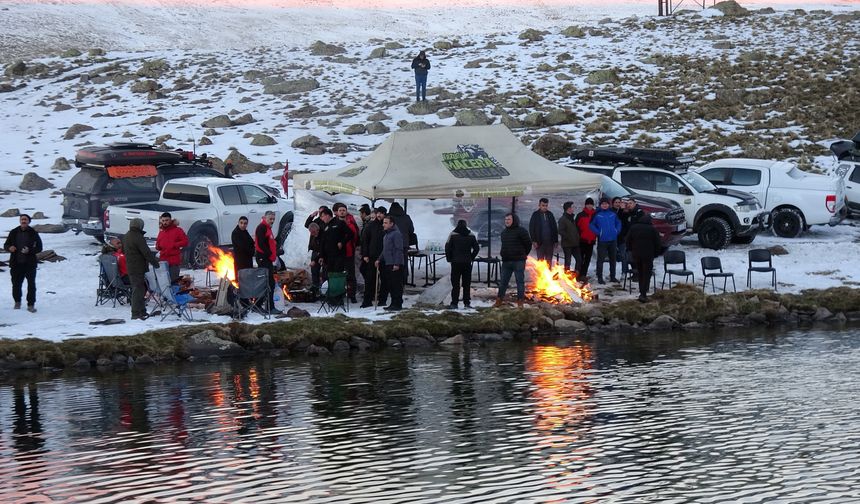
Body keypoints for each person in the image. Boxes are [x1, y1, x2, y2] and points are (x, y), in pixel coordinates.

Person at [123, 218, 160, 320]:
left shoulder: (127, 236)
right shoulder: (138, 237)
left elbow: (123, 250)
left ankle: (142, 311)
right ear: (140, 226)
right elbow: (146, 252)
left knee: (141, 288)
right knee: (138, 290)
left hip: (131, 266)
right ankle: (135, 313)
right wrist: (155, 263)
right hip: (137, 267)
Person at [4, 214, 43, 312]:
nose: (23, 221)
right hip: (16, 263)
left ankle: (31, 304)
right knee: (16, 284)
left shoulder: (33, 233)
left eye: (25, 219)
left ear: (29, 221)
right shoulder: (14, 232)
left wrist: (29, 250)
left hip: (29, 264)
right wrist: (9, 248)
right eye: (22, 219)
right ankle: (17, 302)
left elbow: (39, 247)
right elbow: (6, 244)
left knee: (31, 285)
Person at [495, 213, 531, 308]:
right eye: (506, 219)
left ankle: (520, 302)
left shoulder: (521, 231)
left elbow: (528, 244)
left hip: (518, 261)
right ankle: (499, 300)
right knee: (503, 282)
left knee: (519, 282)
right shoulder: (504, 232)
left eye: (509, 219)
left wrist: (523, 254)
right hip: (506, 261)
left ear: (514, 220)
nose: (507, 221)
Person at [626, 213, 662, 303]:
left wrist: (631, 249)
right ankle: (643, 293)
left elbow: (627, 240)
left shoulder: (634, 228)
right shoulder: (653, 229)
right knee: (647, 273)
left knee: (640, 272)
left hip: (636, 254)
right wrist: (656, 254)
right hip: (648, 255)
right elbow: (658, 243)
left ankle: (642, 291)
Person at [445, 219, 480, 309]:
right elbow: (476, 248)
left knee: (455, 284)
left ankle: (454, 303)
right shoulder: (471, 235)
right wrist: (471, 257)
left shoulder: (453, 234)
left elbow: (447, 247)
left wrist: (449, 258)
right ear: (466, 225)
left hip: (456, 262)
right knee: (466, 284)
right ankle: (467, 303)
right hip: (467, 262)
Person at [590, 197, 622, 284]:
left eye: (606, 204)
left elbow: (618, 223)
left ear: (609, 204)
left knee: (613, 259)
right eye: (603, 204)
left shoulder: (613, 213)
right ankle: (599, 277)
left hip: (613, 239)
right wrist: (598, 232)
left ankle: (613, 276)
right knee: (600, 259)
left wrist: (617, 231)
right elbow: (591, 225)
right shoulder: (597, 214)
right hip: (602, 240)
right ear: (600, 205)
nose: (605, 205)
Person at [360, 206, 388, 308]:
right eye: (378, 213)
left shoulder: (387, 225)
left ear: (385, 214)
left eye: (381, 213)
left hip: (385, 257)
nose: (379, 215)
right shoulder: (370, 225)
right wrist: (365, 254)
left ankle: (382, 300)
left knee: (385, 279)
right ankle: (367, 301)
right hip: (372, 256)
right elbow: (365, 241)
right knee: (370, 280)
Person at [376, 216, 405, 311]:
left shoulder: (396, 234)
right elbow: (385, 250)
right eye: (383, 222)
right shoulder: (386, 235)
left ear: (391, 224)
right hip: (388, 263)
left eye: (386, 223)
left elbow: (399, 249)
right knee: (391, 284)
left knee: (396, 285)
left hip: (395, 263)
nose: (383, 224)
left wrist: (397, 263)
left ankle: (397, 304)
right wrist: (379, 259)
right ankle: (393, 303)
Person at [333, 203, 359, 304]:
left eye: (344, 210)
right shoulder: (334, 222)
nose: (342, 212)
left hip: (349, 252)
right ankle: (340, 294)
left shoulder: (351, 222)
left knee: (351, 275)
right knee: (339, 274)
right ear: (337, 212)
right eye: (340, 210)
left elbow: (355, 236)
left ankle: (352, 295)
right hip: (338, 254)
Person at [254, 211, 279, 313]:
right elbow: (260, 244)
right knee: (269, 283)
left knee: (268, 283)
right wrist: (269, 254)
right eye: (270, 219)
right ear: (265, 218)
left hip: (267, 258)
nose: (272, 221)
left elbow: (268, 242)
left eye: (273, 219)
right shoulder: (262, 227)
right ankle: (268, 307)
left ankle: (259, 304)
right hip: (263, 258)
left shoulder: (267, 228)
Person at [155, 212, 189, 283]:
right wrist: (158, 246)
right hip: (163, 261)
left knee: (173, 281)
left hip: (173, 261)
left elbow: (185, 241)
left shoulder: (178, 230)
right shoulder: (161, 232)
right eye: (163, 221)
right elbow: (157, 244)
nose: (165, 222)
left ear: (171, 220)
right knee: (164, 282)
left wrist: (174, 245)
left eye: (167, 220)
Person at [387, 202, 414, 282]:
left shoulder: (388, 218)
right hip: (403, 244)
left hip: (391, 244)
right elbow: (411, 230)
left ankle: (392, 281)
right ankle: (403, 280)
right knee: (403, 262)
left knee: (391, 263)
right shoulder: (406, 217)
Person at [528, 197, 558, 267]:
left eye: (546, 205)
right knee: (540, 262)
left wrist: (555, 240)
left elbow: (554, 228)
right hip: (540, 243)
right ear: (539, 205)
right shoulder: (535, 215)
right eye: (543, 205)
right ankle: (540, 277)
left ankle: (548, 276)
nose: (544, 207)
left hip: (550, 243)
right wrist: (534, 240)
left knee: (549, 261)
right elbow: (531, 228)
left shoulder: (550, 214)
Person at [318, 207, 348, 276]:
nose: (322, 219)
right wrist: (321, 255)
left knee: (337, 274)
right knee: (329, 275)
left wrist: (342, 242)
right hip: (328, 256)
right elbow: (323, 241)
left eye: (322, 216)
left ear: (328, 215)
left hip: (338, 255)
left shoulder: (339, 223)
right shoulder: (325, 226)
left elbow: (350, 234)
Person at [575, 197, 597, 282]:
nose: (589, 206)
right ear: (585, 205)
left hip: (591, 240)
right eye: (588, 204)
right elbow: (576, 227)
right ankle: (578, 274)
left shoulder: (595, 215)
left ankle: (583, 274)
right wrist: (579, 236)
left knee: (587, 259)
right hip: (582, 240)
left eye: (591, 204)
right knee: (580, 259)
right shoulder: (580, 215)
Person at [557, 201, 581, 275]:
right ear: (568, 209)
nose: (573, 208)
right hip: (567, 244)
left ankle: (576, 274)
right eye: (572, 207)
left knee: (579, 259)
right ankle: (566, 275)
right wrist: (568, 237)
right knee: (568, 260)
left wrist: (577, 237)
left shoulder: (572, 218)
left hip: (575, 243)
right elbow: (560, 230)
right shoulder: (563, 219)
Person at [231, 216, 255, 280]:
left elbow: (251, 242)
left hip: (247, 260)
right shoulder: (235, 233)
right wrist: (252, 251)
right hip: (240, 261)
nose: (243, 225)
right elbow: (242, 247)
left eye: (245, 223)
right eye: (241, 223)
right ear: (238, 223)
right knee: (241, 280)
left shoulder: (245, 232)